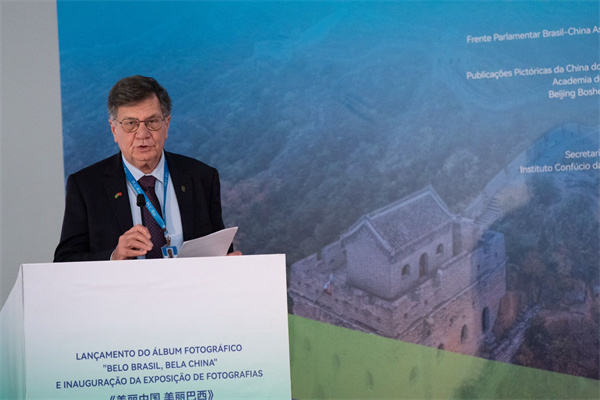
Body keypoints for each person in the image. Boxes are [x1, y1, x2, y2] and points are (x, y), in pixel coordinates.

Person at [54, 75, 238, 262]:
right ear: (114, 130)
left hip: (188, 282)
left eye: (152, 122)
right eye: (130, 124)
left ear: (166, 125)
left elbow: (220, 249)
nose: (142, 134)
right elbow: (64, 261)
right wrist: (114, 257)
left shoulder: (201, 178)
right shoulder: (86, 186)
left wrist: (229, 262)